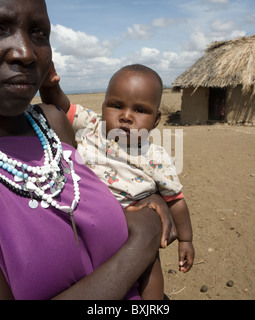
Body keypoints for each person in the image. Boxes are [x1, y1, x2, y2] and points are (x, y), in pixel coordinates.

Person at [0, 0, 175, 300]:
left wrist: (148, 197)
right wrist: (140, 245)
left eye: (38, 33)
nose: (26, 53)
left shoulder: (54, 125)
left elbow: (103, 186)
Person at [40, 64, 195, 299]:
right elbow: (62, 107)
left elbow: (176, 200)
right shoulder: (94, 126)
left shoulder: (156, 157)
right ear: (103, 107)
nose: (126, 116)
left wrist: (186, 239)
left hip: (131, 225)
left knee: (149, 266)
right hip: (85, 220)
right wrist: (51, 85)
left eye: (140, 110)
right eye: (116, 105)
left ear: (156, 120)